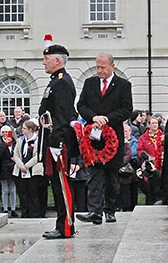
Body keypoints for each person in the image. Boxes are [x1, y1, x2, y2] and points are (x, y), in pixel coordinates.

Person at [76, 53, 133, 225]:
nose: (99, 71)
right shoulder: (90, 83)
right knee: (94, 176)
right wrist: (94, 117)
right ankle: (94, 211)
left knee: (111, 178)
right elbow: (81, 105)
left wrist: (107, 118)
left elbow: (126, 109)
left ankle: (110, 210)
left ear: (112, 66)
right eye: (97, 67)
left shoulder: (123, 85)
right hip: (93, 137)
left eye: (103, 67)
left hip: (113, 138)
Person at [39, 43, 78, 240]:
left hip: (58, 140)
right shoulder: (55, 81)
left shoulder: (61, 82)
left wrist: (57, 142)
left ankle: (66, 226)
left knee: (62, 184)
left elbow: (63, 115)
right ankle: (62, 224)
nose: (44, 62)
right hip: (53, 138)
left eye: (47, 58)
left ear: (57, 60)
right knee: (57, 183)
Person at [13, 120, 48, 218]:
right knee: (23, 193)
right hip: (21, 170)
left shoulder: (38, 141)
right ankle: (25, 213)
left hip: (33, 171)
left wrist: (27, 166)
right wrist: (21, 166)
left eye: (24, 128)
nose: (22, 130)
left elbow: (38, 155)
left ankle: (35, 213)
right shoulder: (20, 140)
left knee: (33, 193)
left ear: (30, 129)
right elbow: (16, 154)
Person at [0, 125, 18, 217]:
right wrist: (5, 145)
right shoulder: (0, 143)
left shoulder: (15, 143)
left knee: (13, 190)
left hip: (13, 168)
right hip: (4, 168)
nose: (5, 134)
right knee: (5, 189)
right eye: (3, 132)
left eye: (7, 132)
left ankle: (13, 208)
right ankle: (5, 208)